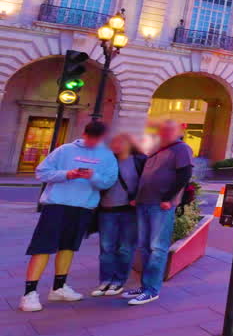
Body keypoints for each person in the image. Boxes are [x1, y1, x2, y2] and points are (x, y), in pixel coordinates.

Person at [21, 121, 118, 312]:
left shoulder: (107, 156)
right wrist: (67, 174)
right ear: (84, 133)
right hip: (57, 205)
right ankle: (29, 293)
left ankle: (58, 288)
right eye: (90, 137)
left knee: (68, 247)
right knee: (42, 248)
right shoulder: (64, 150)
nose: (92, 142)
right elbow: (41, 172)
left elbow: (108, 182)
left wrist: (92, 176)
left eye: (96, 139)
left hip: (82, 207)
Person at [126, 120, 193, 306]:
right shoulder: (157, 149)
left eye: (168, 130)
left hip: (160, 205)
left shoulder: (181, 149)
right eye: (162, 130)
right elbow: (145, 175)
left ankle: (151, 290)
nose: (163, 133)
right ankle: (144, 286)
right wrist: (136, 197)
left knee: (157, 248)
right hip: (144, 202)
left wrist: (168, 198)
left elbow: (184, 174)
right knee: (145, 246)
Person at [92, 134, 146, 297]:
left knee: (125, 248)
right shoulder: (106, 160)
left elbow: (147, 182)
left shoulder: (139, 160)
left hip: (130, 211)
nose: (116, 145)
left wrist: (138, 198)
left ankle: (119, 281)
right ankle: (105, 281)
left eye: (120, 142)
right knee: (106, 247)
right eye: (113, 142)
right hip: (107, 209)